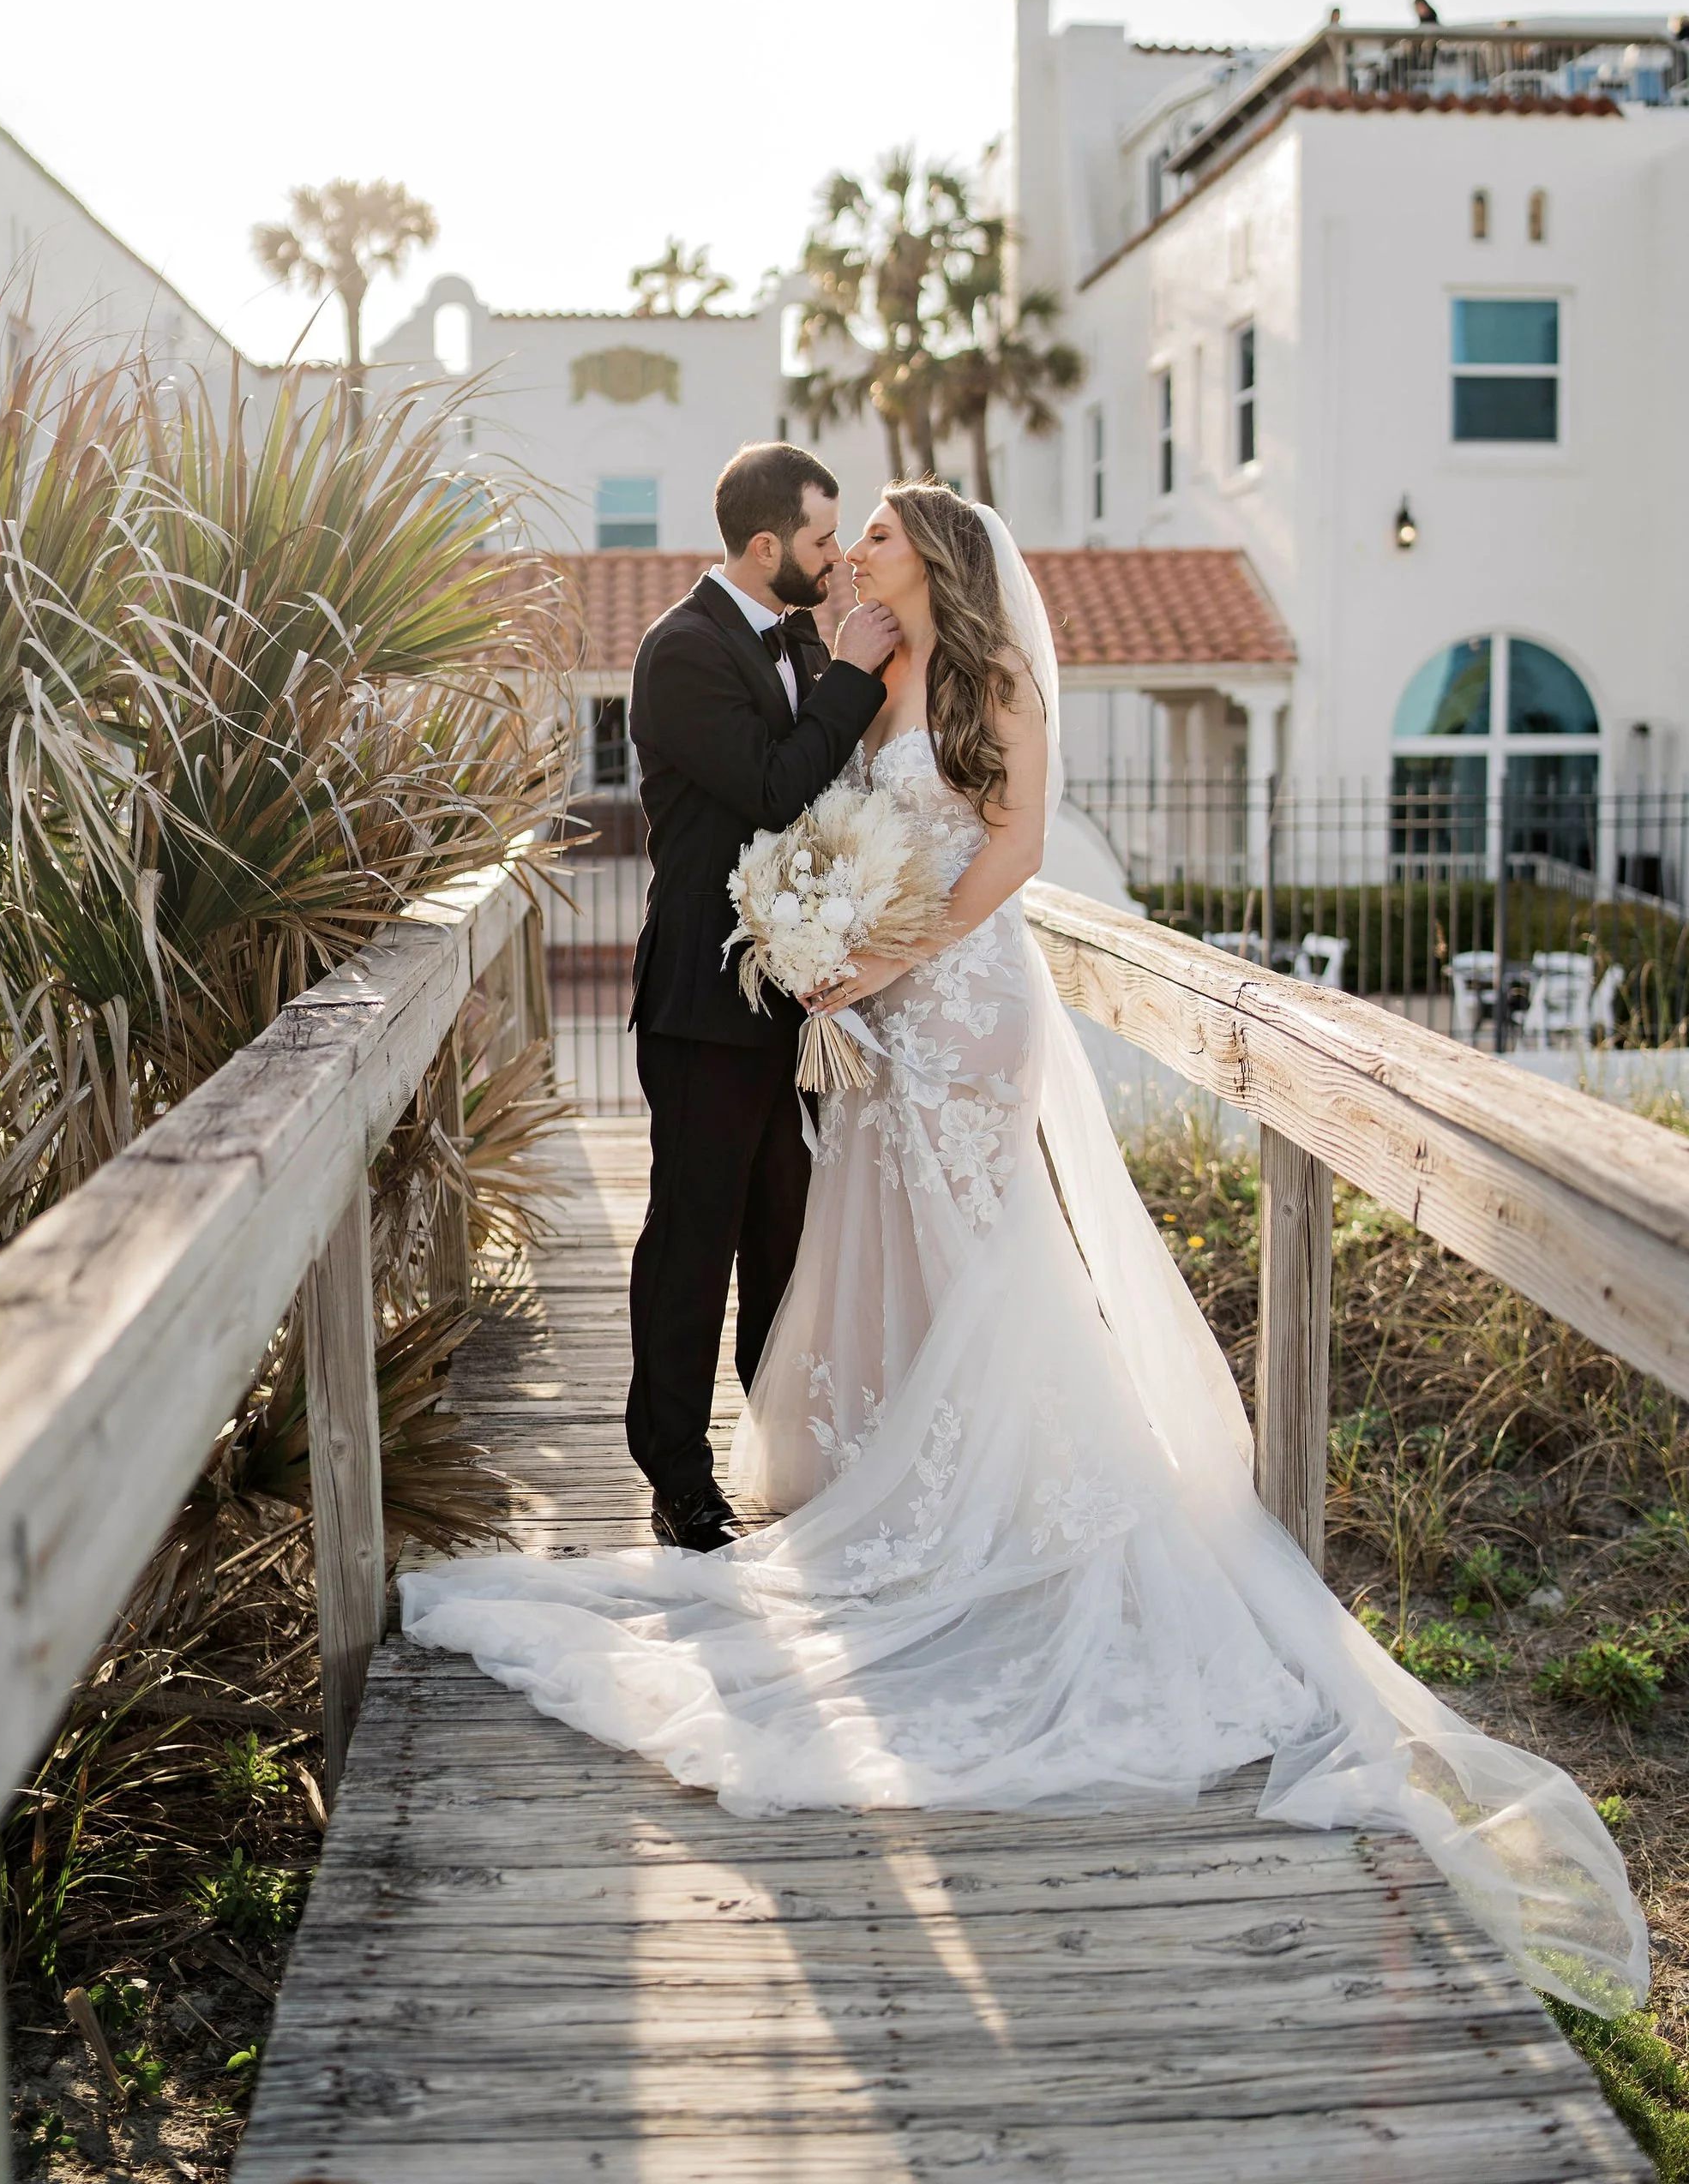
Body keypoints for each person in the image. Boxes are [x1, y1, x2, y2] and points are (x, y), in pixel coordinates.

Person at [404, 482, 1646, 2019]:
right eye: (839, 532)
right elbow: (815, 819)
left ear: (931, 559)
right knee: (880, 1253)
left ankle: (1008, 1510)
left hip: (956, 1007)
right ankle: (907, 1487)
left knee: (981, 1254)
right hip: (861, 1011)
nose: (851, 550)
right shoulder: (858, 679)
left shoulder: (985, 683)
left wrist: (882, 954)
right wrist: (823, 946)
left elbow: (1014, 845)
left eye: (872, 535)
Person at [620, 442, 899, 1553]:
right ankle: (678, 1477)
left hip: (793, 1000)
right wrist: (855, 678)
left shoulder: (791, 639)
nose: (836, 561)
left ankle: (777, 1448)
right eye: (824, 540)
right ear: (769, 544)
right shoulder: (680, 652)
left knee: (785, 1235)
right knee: (694, 1241)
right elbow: (779, 787)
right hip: (702, 1000)